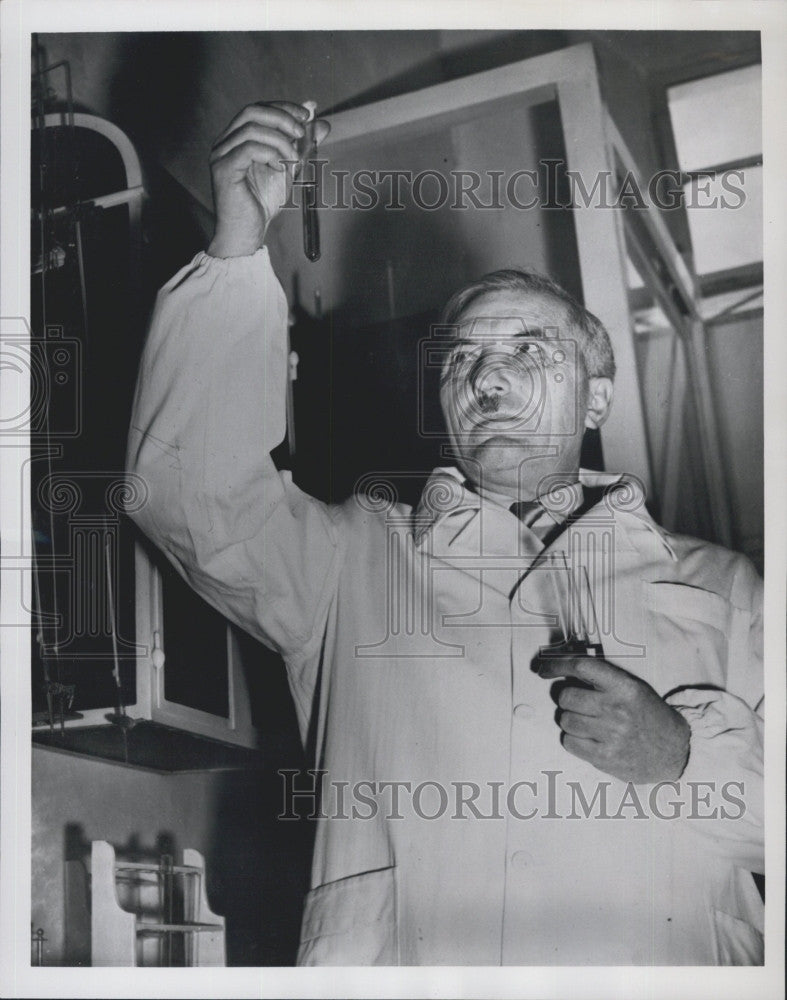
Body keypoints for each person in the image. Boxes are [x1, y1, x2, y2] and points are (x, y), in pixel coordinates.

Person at [127, 102, 764, 965]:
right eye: (463, 359)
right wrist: (238, 244)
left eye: (530, 351)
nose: (489, 378)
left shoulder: (726, 589)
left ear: (596, 398)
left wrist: (680, 757)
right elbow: (186, 494)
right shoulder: (355, 559)